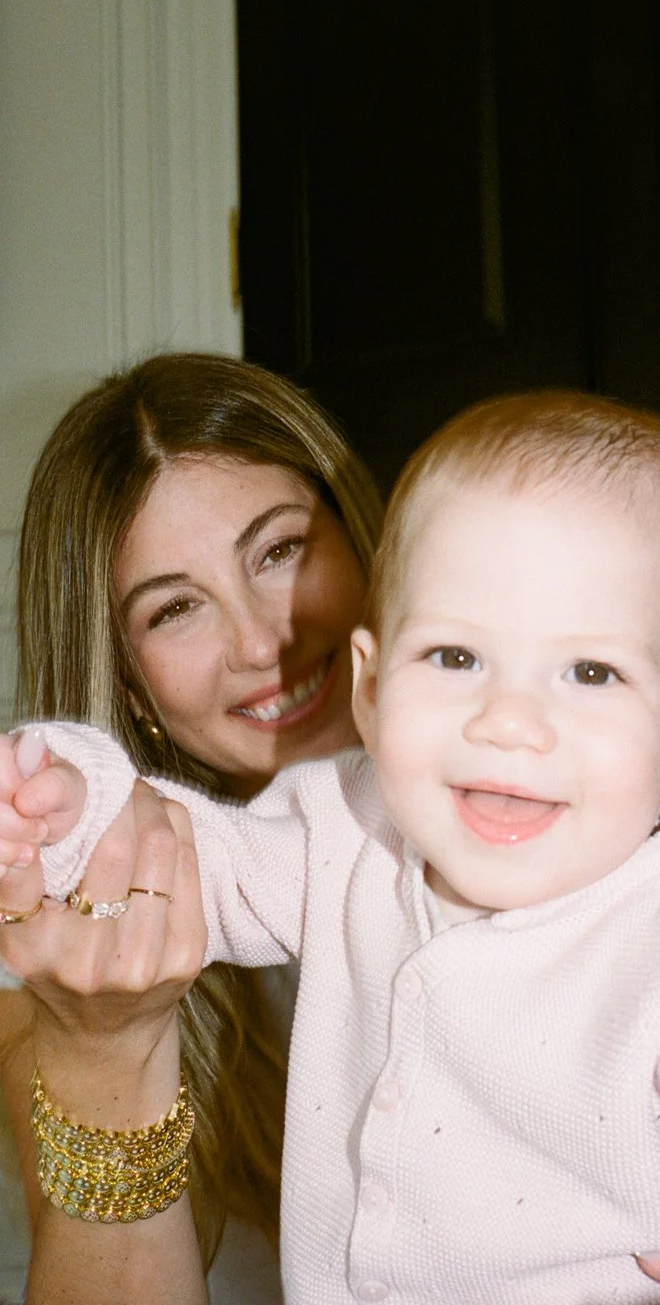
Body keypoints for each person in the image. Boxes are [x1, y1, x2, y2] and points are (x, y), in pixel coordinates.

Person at [7, 387, 660, 1304]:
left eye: (591, 672)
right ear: (374, 685)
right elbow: (173, 859)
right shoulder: (341, 834)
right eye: (456, 656)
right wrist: (65, 796)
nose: (510, 721)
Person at [0, 351, 383, 1303]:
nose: (262, 642)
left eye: (280, 551)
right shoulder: (59, 936)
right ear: (131, 689)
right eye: (175, 609)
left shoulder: (546, 789)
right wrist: (105, 1051)